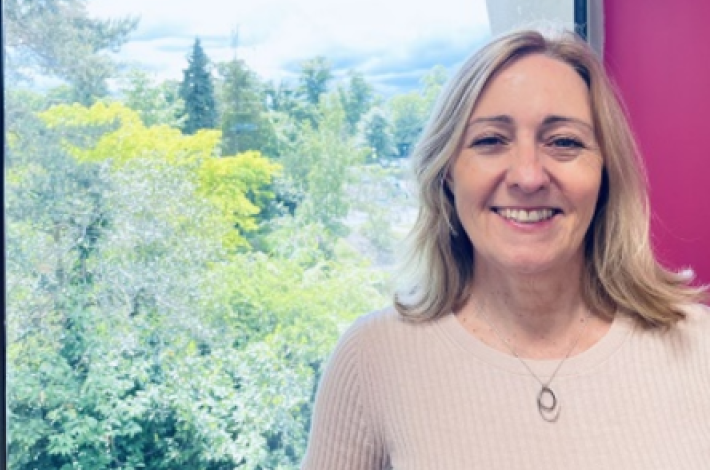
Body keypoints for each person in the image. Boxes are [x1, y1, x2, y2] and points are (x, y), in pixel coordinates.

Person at [301, 27, 710, 469]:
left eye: (564, 142)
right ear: (448, 174)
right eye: (490, 141)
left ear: (606, 174)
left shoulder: (699, 348)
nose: (528, 177)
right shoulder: (373, 359)